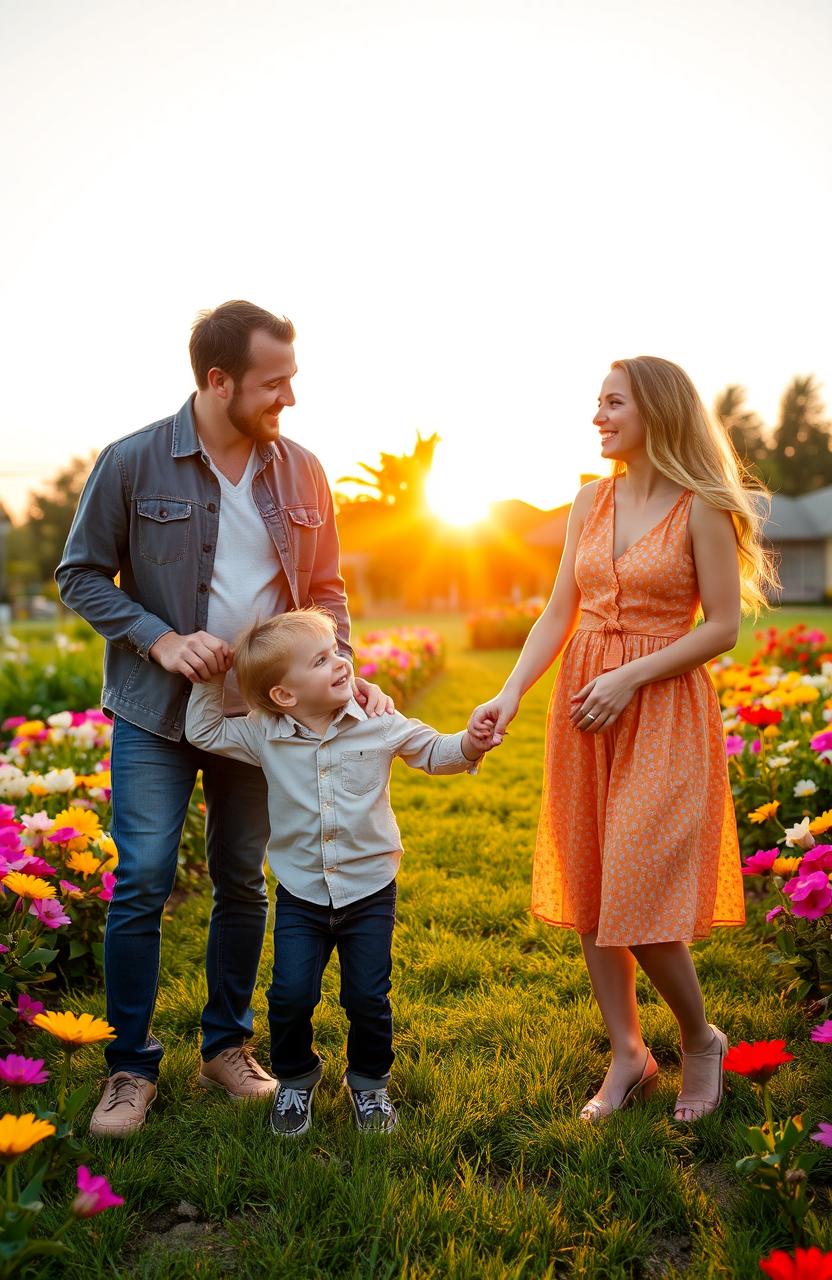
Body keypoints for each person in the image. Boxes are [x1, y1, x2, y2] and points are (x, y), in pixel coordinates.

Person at [56, 301, 390, 1138]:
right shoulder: (132, 462)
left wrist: (340, 676)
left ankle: (225, 1047)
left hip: (262, 718)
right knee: (141, 881)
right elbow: (80, 573)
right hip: (155, 710)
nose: (288, 399)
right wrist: (160, 639)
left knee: (243, 881)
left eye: (291, 380)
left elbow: (324, 591)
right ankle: (130, 1069)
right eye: (273, 383)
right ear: (218, 381)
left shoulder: (303, 471)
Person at [469, 356, 776, 1123]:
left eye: (614, 403)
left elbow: (724, 629)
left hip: (661, 709)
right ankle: (628, 1052)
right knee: (591, 885)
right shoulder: (588, 501)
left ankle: (700, 1038)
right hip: (585, 707)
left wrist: (630, 678)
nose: (598, 416)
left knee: (635, 891)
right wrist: (509, 694)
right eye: (597, 403)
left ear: (658, 412)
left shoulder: (702, 505)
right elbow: (556, 613)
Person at [185, 608, 496, 1135]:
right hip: (302, 894)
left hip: (369, 891)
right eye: (321, 659)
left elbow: (433, 751)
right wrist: (214, 675)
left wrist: (469, 743)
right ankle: (297, 1079)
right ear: (285, 695)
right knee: (289, 994)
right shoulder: (265, 734)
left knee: (367, 997)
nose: (341, 663)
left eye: (336, 651)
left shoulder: (378, 721)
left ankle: (370, 1086)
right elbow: (205, 729)